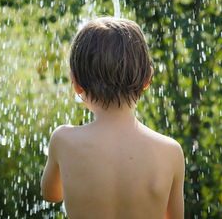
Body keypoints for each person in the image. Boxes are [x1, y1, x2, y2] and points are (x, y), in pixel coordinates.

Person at [41, 17, 185, 219]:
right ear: (147, 79)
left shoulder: (64, 140)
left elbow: (51, 194)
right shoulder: (170, 152)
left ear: (76, 83)